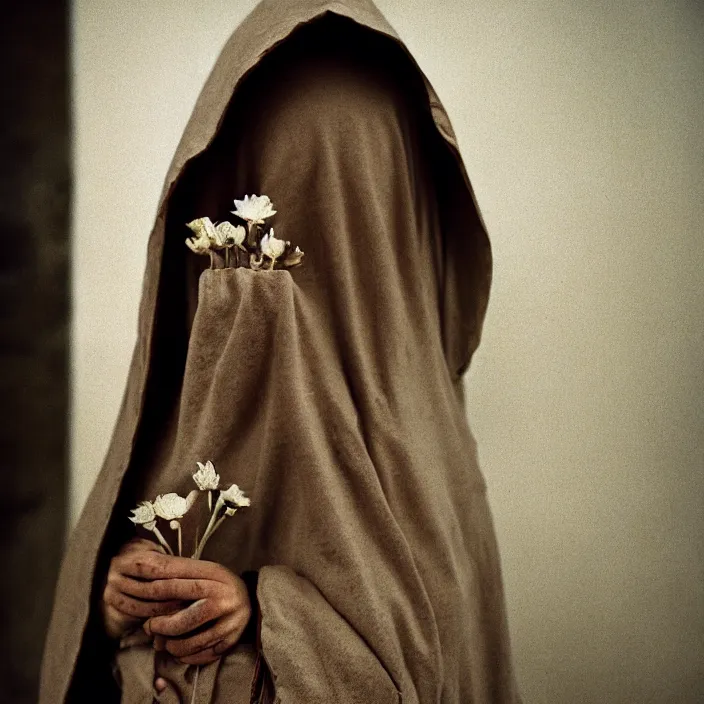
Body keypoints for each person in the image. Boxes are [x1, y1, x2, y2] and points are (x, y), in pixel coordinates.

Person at [40, 1, 522, 702]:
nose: (295, 253)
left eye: (348, 207)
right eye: (268, 198)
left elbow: (435, 650)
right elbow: (109, 640)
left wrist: (264, 616)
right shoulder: (199, 379)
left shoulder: (428, 460)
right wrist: (124, 605)